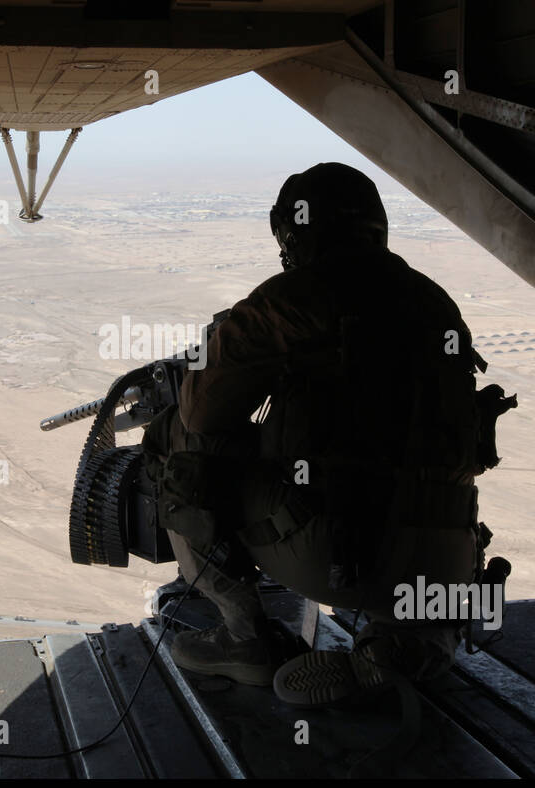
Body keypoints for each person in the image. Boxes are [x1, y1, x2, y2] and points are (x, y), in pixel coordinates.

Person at [142, 162, 500, 705]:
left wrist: (224, 349)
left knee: (179, 440)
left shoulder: (292, 299)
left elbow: (202, 412)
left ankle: (246, 639)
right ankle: (406, 644)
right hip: (442, 562)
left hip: (338, 555)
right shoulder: (435, 302)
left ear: (294, 235)